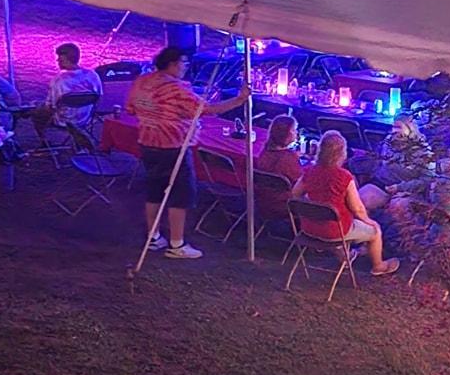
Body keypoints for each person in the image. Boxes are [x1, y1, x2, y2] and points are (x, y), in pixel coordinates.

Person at [126, 44, 249, 259]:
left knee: (154, 192)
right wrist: (239, 100)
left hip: (147, 143)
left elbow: (130, 108)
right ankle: (177, 244)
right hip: (173, 147)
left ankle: (153, 236)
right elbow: (207, 109)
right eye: (184, 62)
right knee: (179, 196)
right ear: (173, 64)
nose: (186, 67)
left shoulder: (142, 81)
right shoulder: (176, 89)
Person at [292, 131, 400, 274]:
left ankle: (346, 256)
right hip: (335, 231)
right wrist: (369, 221)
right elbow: (358, 208)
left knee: (332, 222)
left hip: (308, 228)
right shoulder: (344, 177)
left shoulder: (309, 172)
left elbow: (295, 194)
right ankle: (378, 266)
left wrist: (312, 204)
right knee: (375, 231)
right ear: (342, 153)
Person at [33, 41, 104, 138]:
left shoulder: (59, 80)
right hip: (85, 119)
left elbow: (51, 107)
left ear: (65, 60)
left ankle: (44, 142)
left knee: (36, 114)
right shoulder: (92, 75)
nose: (57, 60)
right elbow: (99, 97)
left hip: (64, 121)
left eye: (60, 58)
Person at [255, 113, 304, 184]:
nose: (296, 132)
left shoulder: (265, 151)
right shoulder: (289, 157)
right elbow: (301, 180)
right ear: (286, 134)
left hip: (262, 190)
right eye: (294, 130)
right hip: (288, 191)